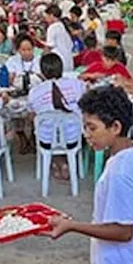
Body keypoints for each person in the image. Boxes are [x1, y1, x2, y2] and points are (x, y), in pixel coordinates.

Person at [46, 86, 133, 264]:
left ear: (115, 127)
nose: (86, 135)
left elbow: (123, 232)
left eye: (92, 128)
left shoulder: (119, 172)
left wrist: (71, 226)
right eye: (84, 127)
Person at [28, 52, 85, 180]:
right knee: (68, 124)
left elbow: (32, 116)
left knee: (46, 126)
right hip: (73, 139)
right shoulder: (77, 85)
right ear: (61, 68)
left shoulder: (34, 92)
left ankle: (57, 162)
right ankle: (64, 162)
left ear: (42, 72)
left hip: (47, 141)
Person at [41, 4, 74, 72]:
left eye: (46, 16)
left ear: (51, 15)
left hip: (59, 64)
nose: (45, 19)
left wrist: (41, 59)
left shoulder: (52, 27)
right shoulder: (62, 25)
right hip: (69, 62)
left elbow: (48, 47)